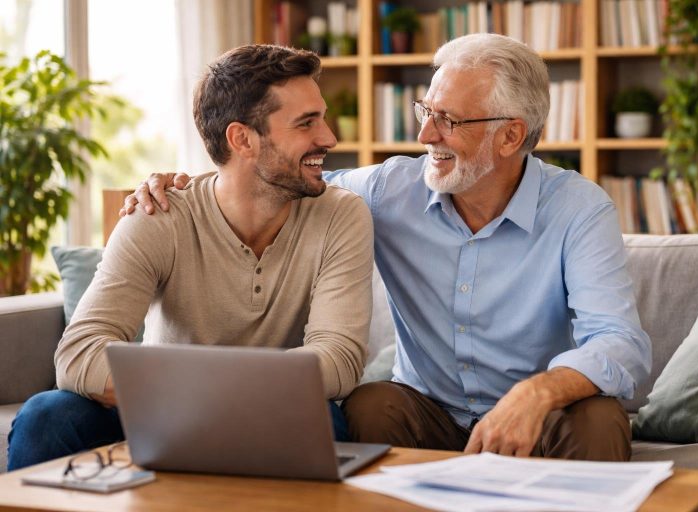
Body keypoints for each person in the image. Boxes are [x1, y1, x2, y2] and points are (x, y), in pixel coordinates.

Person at [122, 34, 651, 461]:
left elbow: (619, 341)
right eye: (427, 110)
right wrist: (185, 185)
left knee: (600, 418)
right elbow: (274, 174)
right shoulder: (385, 190)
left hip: (541, 416)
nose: (424, 134)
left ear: (511, 137)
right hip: (427, 412)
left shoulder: (580, 209)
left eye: (449, 120)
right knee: (370, 403)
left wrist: (538, 393)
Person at [6, 44, 374, 471]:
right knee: (46, 416)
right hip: (156, 414)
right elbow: (78, 354)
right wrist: (199, 393)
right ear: (242, 139)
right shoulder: (158, 215)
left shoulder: (340, 215)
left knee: (325, 421)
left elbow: (339, 358)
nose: (328, 137)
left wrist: (206, 391)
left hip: (269, 413)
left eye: (322, 118)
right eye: (306, 123)